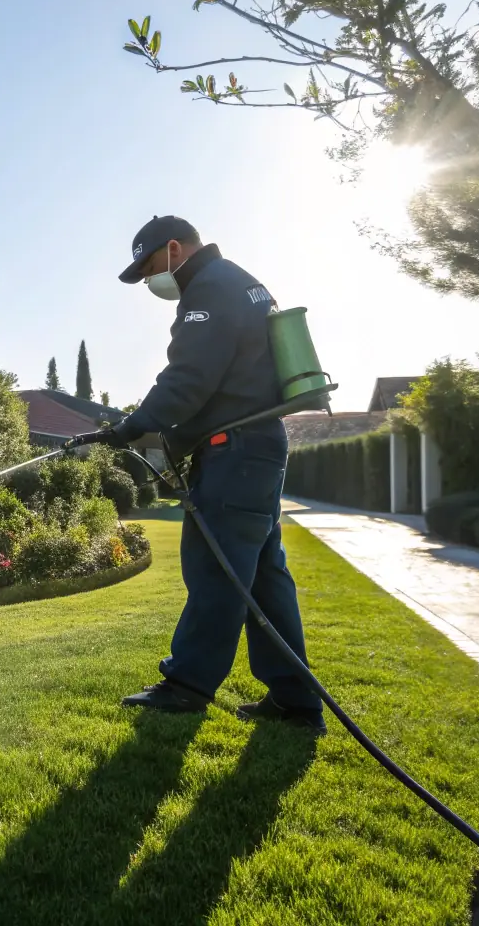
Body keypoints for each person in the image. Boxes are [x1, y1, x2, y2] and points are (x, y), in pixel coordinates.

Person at [76, 215, 325, 733]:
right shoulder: (241, 281)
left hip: (236, 455)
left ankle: (187, 685)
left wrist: (132, 426)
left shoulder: (208, 287)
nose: (150, 281)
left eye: (149, 268)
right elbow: (219, 379)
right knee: (263, 579)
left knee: (217, 571)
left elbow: (190, 377)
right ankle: (295, 699)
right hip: (256, 449)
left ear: (173, 249)